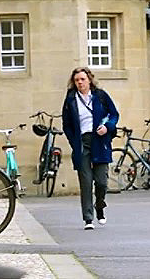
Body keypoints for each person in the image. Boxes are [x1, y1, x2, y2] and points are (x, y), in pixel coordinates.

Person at [62, 67, 119, 230]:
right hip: (81, 142)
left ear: (89, 80)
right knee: (86, 182)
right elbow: (67, 124)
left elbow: (114, 114)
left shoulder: (100, 96)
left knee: (101, 182)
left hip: (99, 140)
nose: (80, 83)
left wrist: (107, 127)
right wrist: (74, 142)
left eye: (82, 79)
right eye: (77, 80)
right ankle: (88, 218)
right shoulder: (71, 99)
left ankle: (99, 205)